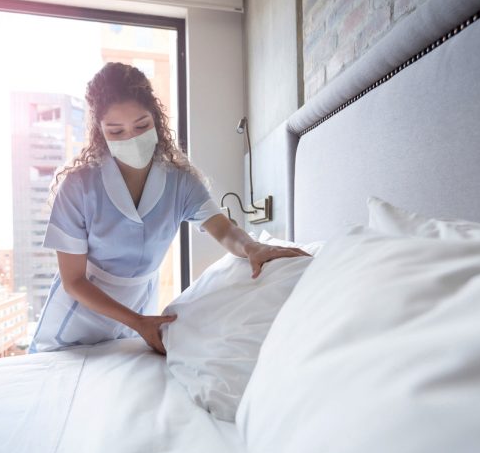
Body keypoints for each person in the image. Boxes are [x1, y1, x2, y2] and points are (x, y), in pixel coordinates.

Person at [28, 62, 309, 355]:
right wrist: (137, 322)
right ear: (99, 133)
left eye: (141, 125)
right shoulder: (79, 187)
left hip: (136, 319)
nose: (132, 138)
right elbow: (73, 281)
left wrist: (252, 248)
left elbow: (223, 228)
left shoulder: (179, 182)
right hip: (75, 322)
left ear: (157, 120)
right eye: (116, 131)